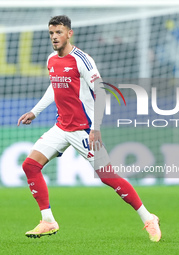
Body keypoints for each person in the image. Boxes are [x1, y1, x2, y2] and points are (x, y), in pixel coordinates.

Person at [17, 15, 161, 242]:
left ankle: (148, 218)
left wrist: (96, 128)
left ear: (69, 33)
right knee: (30, 166)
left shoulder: (82, 60)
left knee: (108, 177)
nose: (54, 37)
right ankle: (48, 220)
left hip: (84, 129)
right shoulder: (52, 60)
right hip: (61, 127)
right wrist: (35, 111)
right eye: (51, 33)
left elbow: (100, 92)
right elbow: (54, 87)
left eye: (59, 32)